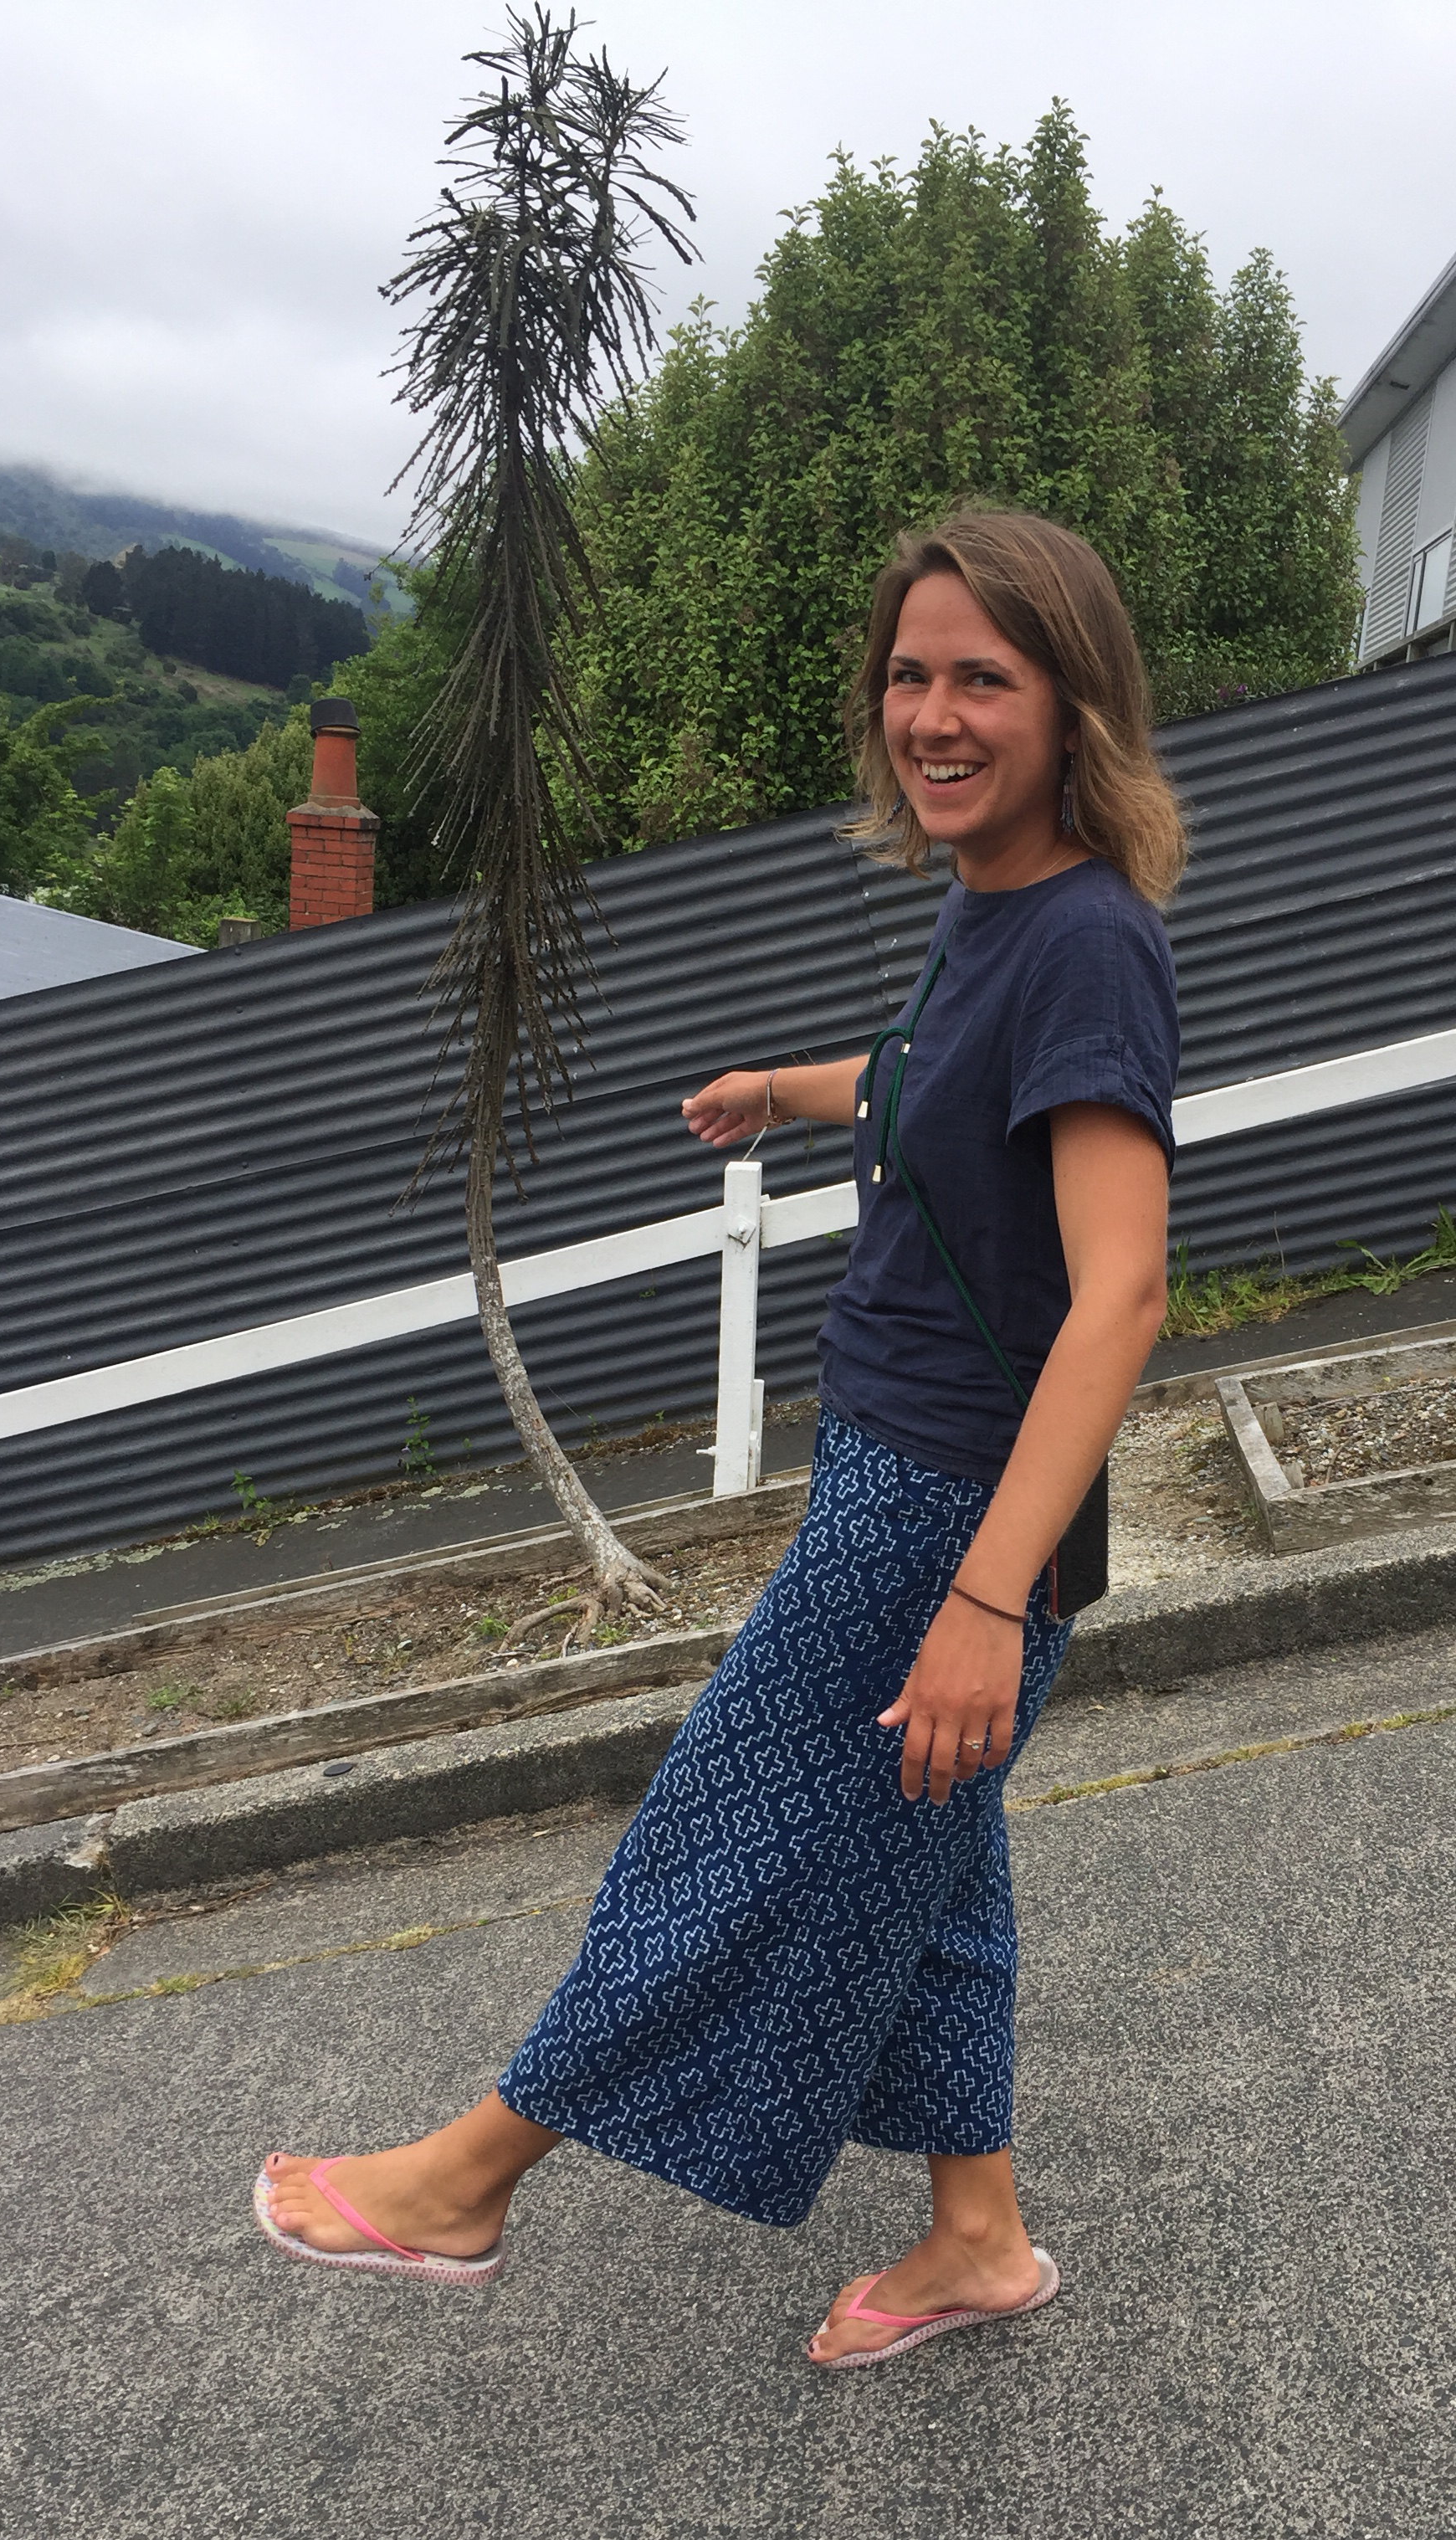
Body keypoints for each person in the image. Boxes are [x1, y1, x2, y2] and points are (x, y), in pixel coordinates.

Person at [255, 508, 1184, 2370]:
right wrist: (789, 1087)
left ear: (1072, 702)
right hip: (906, 1473)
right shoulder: (992, 903)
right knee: (934, 1867)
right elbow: (936, 1082)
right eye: (910, 675)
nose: (933, 715)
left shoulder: (1088, 939)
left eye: (983, 679)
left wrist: (983, 1601)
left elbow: (1124, 1294)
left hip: (945, 1514)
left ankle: (464, 2180)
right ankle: (978, 2235)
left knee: (727, 1844)